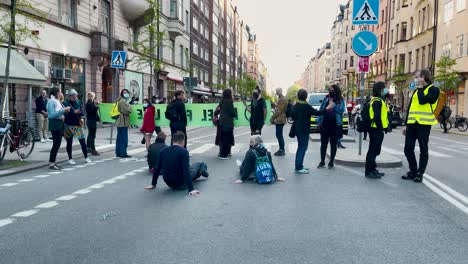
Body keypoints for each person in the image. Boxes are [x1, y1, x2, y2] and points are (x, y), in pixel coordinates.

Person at [402, 70, 440, 183]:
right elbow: (411, 108)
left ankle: (420, 173)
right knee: (408, 149)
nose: (415, 79)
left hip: (424, 124)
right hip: (412, 124)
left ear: (424, 77)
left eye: (417, 77)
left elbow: (423, 101)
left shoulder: (433, 90)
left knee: (423, 149)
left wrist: (420, 88)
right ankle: (413, 171)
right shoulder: (416, 91)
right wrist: (406, 125)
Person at [144, 132, 208, 196]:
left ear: (172, 140)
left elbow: (157, 168)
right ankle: (204, 172)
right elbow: (186, 171)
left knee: (191, 169)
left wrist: (153, 184)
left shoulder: (163, 151)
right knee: (200, 164)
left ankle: (200, 172)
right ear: (183, 141)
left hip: (169, 183)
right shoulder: (184, 151)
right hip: (181, 183)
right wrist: (191, 189)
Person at [291, 89, 327, 174]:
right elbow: (317, 113)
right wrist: (327, 108)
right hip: (303, 130)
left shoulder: (296, 105)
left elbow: (292, 116)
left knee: (301, 147)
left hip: (297, 129)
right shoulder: (306, 106)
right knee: (302, 148)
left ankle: (299, 165)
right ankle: (299, 167)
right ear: (306, 97)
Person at [317, 84, 345, 169]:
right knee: (323, 144)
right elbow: (321, 109)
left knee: (333, 144)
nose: (330, 91)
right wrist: (319, 120)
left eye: (332, 90)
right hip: (325, 124)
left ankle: (331, 162)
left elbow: (341, 111)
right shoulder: (326, 98)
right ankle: (322, 162)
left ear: (336, 91)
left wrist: (334, 105)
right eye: (329, 90)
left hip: (335, 125)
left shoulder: (340, 99)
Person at [365, 82, 389, 179]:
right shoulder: (376, 101)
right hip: (375, 129)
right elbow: (377, 116)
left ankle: (373, 169)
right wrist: (381, 128)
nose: (385, 90)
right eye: (384, 88)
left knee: (375, 150)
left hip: (376, 128)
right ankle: (369, 171)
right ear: (380, 89)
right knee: (373, 151)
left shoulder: (378, 100)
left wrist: (386, 127)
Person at [63, 89, 91, 165]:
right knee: (69, 142)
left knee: (82, 141)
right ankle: (70, 158)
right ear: (69, 97)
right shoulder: (65, 103)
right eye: (73, 97)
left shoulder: (78, 102)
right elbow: (64, 114)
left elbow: (82, 110)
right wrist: (73, 112)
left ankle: (86, 157)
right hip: (68, 125)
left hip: (77, 124)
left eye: (76, 96)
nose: (75, 98)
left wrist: (80, 113)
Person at [47, 88, 71, 170]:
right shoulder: (51, 101)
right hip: (55, 124)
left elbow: (59, 112)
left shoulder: (57, 101)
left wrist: (64, 112)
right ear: (56, 93)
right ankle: (51, 163)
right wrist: (64, 110)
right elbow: (51, 115)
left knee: (57, 144)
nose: (61, 93)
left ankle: (53, 162)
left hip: (59, 124)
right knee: (56, 144)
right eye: (60, 91)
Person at [218, 89, 236, 160]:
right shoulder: (229, 102)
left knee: (223, 138)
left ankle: (222, 153)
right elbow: (232, 113)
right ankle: (224, 155)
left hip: (222, 122)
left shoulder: (222, 101)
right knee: (227, 139)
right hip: (228, 123)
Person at [270, 88, 288, 156]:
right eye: (276, 91)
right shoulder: (279, 99)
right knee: (278, 134)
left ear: (281, 91)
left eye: (278, 91)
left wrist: (272, 118)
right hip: (279, 119)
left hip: (280, 119)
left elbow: (279, 111)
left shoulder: (283, 99)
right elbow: (277, 109)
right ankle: (281, 149)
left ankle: (282, 150)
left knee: (279, 135)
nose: (277, 93)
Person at [115, 89, 132, 158]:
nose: (126, 94)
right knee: (123, 138)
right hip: (123, 121)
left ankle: (119, 152)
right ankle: (123, 153)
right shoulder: (122, 101)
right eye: (124, 92)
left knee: (119, 138)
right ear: (122, 94)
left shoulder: (120, 100)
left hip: (120, 121)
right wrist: (130, 106)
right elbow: (127, 111)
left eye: (127, 92)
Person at [86, 92, 100, 156]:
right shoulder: (88, 103)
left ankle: (88, 147)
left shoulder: (93, 103)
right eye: (89, 96)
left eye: (92, 96)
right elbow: (91, 111)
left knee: (90, 135)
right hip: (91, 121)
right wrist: (96, 107)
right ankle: (93, 149)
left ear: (94, 96)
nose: (90, 97)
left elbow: (94, 112)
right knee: (92, 135)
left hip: (93, 120)